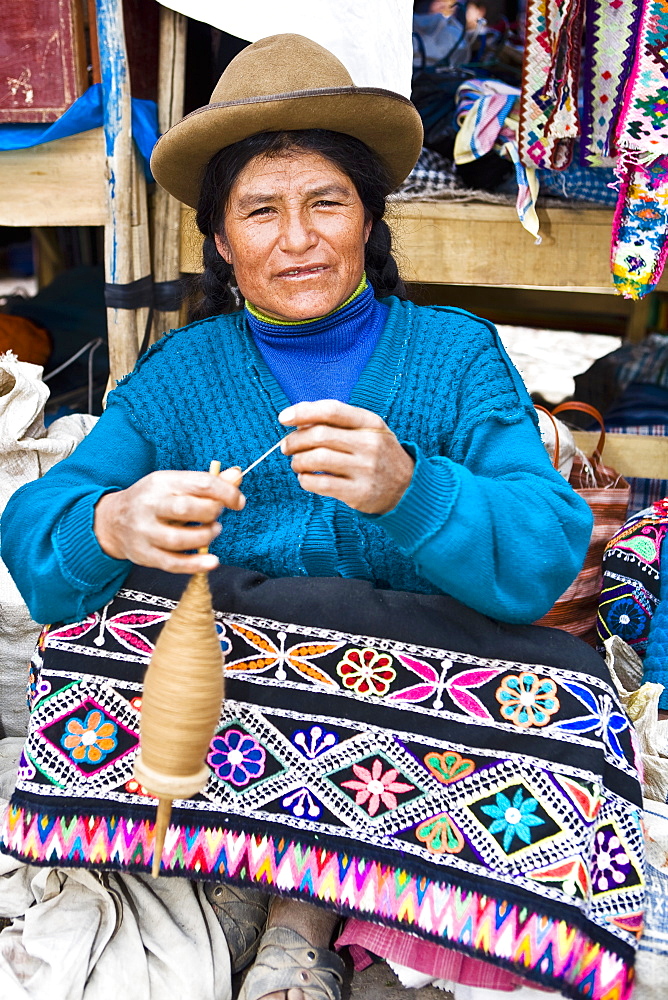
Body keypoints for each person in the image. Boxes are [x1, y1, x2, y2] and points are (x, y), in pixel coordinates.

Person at [1, 34, 643, 1000]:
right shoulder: (179, 376)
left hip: (410, 713)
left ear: (368, 218)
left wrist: (411, 488)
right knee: (95, 634)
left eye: (326, 203)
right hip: (244, 704)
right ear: (220, 240)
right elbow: (40, 530)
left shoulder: (454, 357)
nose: (296, 239)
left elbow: (547, 551)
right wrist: (114, 523)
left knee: (569, 701)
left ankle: (323, 900)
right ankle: (247, 867)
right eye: (260, 210)